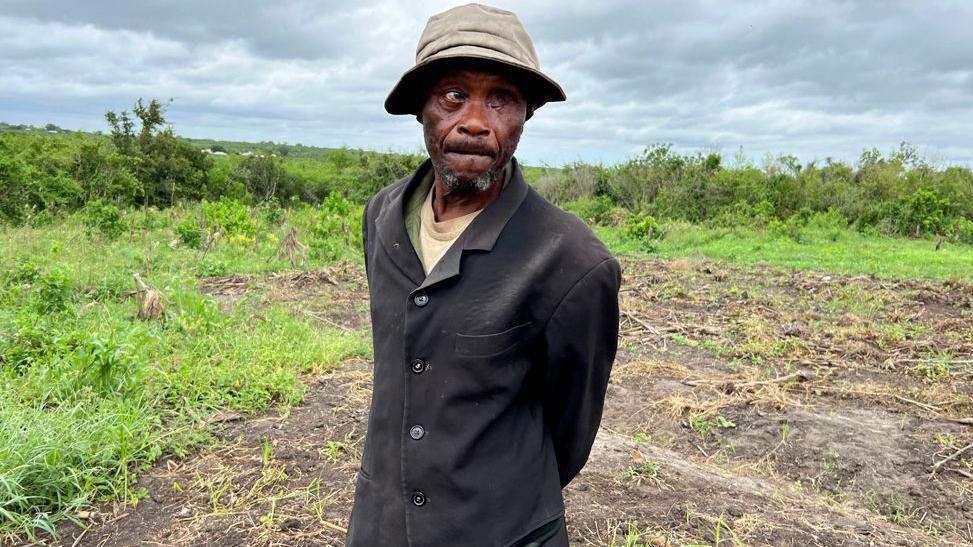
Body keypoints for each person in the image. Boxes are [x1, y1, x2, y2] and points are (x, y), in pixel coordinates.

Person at [347, 4, 621, 546]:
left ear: (525, 116)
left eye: (500, 100)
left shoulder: (573, 261)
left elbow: (570, 430)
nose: (474, 121)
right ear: (420, 108)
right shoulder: (382, 217)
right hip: (379, 524)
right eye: (453, 96)